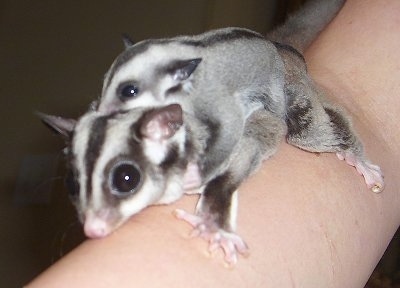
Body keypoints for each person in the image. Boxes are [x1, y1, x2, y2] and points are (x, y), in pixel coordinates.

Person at [26, 0, 400, 287]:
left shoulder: (201, 109)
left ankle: (353, 148)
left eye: (124, 180)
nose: (91, 226)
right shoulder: (137, 114)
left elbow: (229, 129)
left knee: (302, 123)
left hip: (270, 80)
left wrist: (206, 181)